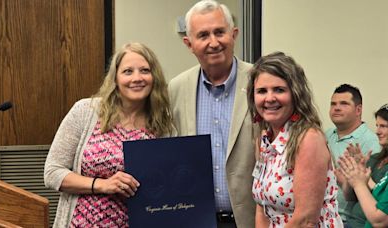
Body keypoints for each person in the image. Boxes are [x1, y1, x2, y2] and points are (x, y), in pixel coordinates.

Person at [44, 42, 174, 227]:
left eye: (144, 70)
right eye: (128, 71)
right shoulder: (86, 111)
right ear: (115, 78)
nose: (137, 78)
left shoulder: (164, 124)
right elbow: (52, 172)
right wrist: (102, 185)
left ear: (155, 77)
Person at [168, 0, 256, 227]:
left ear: (234, 34)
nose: (213, 42)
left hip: (252, 220)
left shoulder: (262, 82)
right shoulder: (176, 89)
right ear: (189, 43)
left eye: (219, 32)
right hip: (196, 220)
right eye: (203, 35)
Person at [249, 52, 343, 227]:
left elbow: (305, 220)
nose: (269, 98)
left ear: (296, 94)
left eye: (279, 90)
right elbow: (262, 207)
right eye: (262, 91)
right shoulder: (264, 139)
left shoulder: (308, 138)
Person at [325, 83, 380, 224]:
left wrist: (348, 182)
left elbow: (376, 194)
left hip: (347, 220)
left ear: (358, 110)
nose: (336, 108)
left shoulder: (371, 142)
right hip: (322, 216)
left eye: (344, 103)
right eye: (333, 104)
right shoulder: (326, 135)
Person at [337, 104, 388, 228]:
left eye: (383, 126)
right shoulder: (375, 158)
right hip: (351, 221)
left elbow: (380, 218)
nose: (377, 131)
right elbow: (350, 196)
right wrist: (351, 175)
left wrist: (361, 181)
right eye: (377, 126)